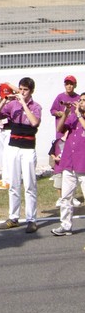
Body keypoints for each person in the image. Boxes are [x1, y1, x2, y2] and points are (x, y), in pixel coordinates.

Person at [0, 77, 42, 233]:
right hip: (13, 147)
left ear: (31, 91)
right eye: (20, 89)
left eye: (25, 90)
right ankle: (13, 217)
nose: (22, 92)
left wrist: (24, 105)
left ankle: (31, 219)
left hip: (28, 149)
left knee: (29, 185)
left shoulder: (36, 106)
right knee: (14, 184)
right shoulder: (12, 105)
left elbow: (34, 122)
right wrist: (2, 101)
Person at [51, 93, 85, 236]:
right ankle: (65, 225)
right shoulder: (73, 117)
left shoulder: (79, 118)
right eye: (80, 100)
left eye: (84, 101)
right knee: (66, 197)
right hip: (69, 162)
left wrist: (78, 115)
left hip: (83, 164)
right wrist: (66, 112)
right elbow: (60, 129)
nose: (81, 103)